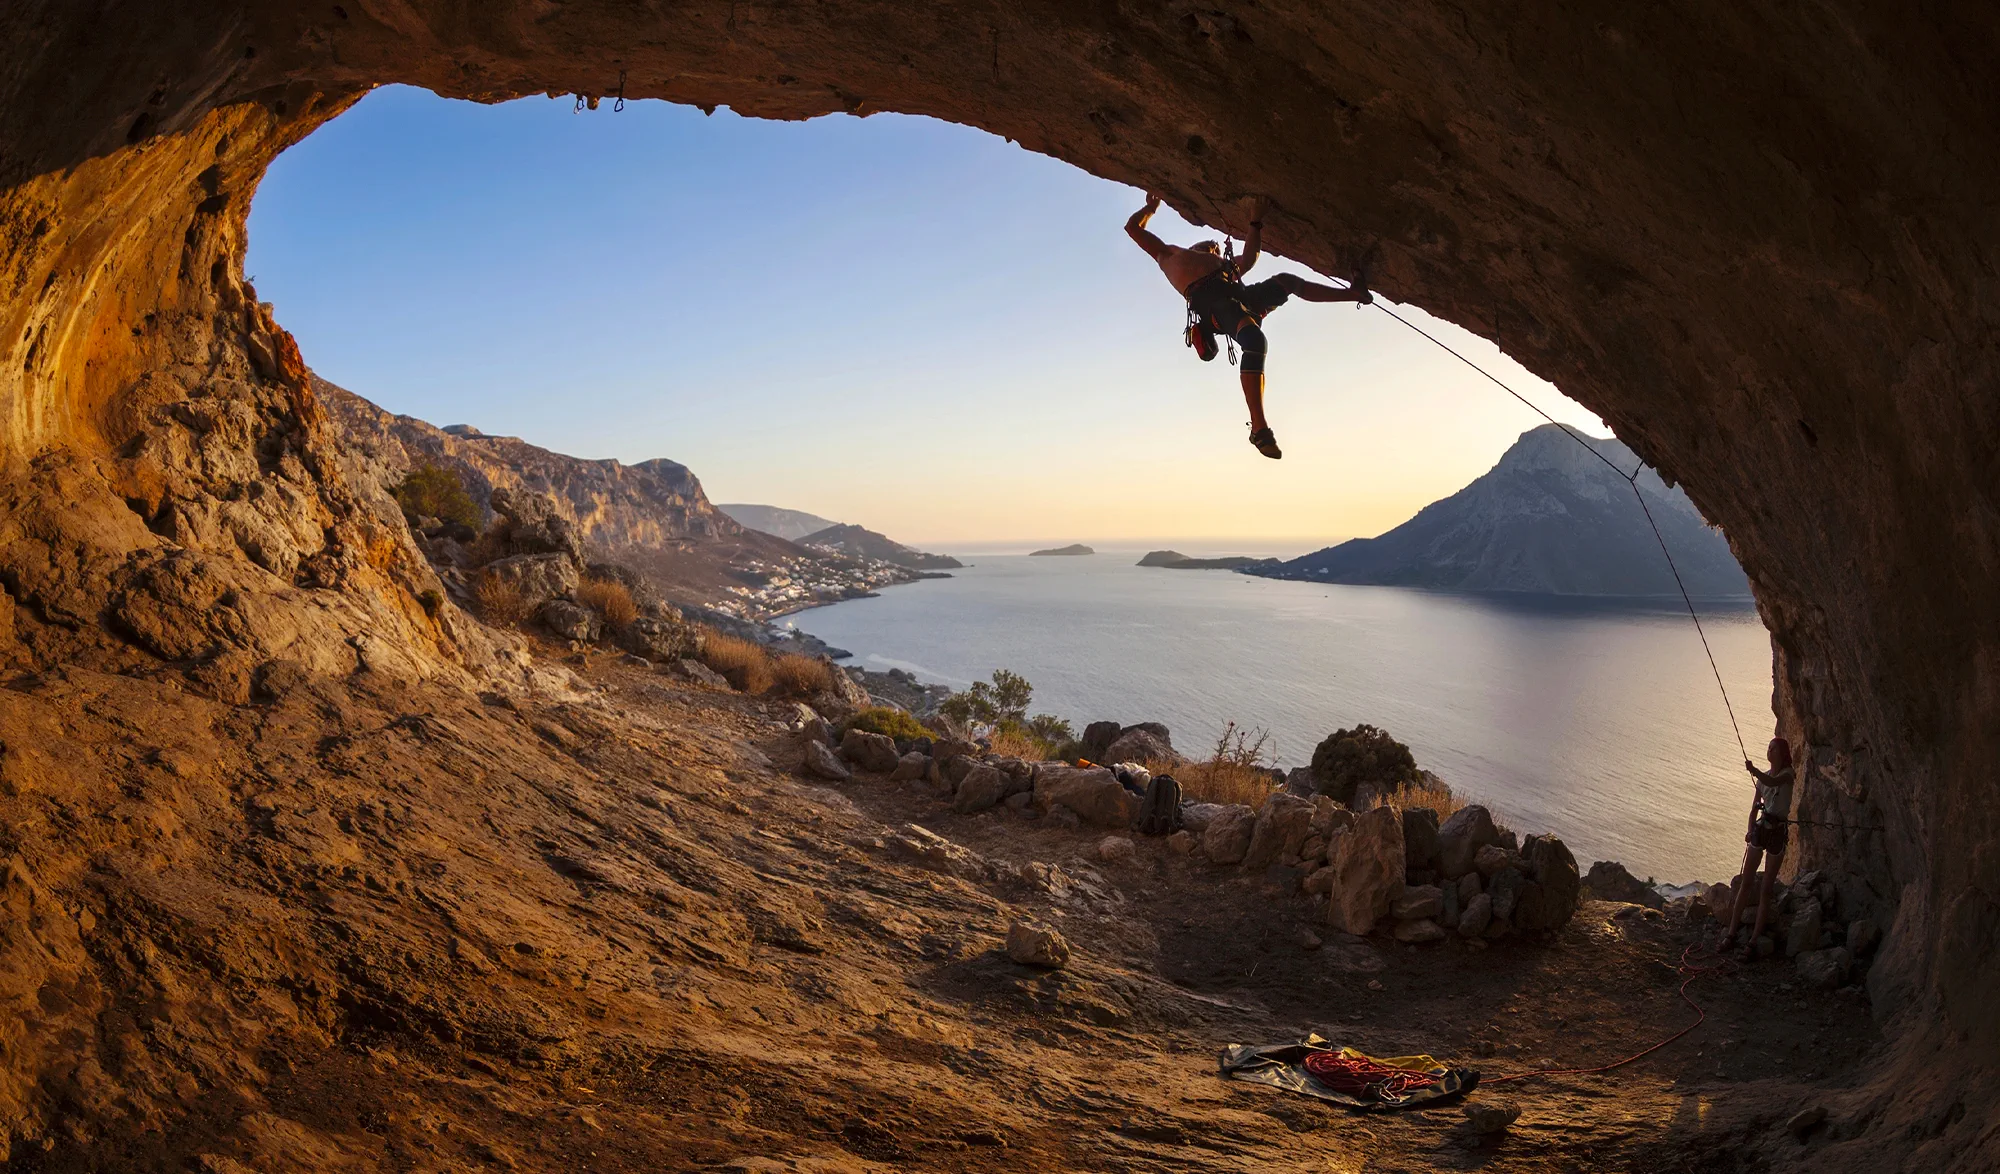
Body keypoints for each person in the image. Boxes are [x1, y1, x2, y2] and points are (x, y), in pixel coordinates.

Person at [1125, 194, 1370, 459]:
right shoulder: (1171, 256)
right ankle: (1259, 427)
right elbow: (1133, 229)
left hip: (1240, 299)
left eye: (1216, 249)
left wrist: (1255, 220)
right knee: (1254, 341)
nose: (1215, 247)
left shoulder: (1226, 266)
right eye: (1210, 246)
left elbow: (1251, 257)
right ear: (1194, 245)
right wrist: (1149, 209)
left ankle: (1355, 293)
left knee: (1286, 281)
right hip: (1215, 304)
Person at [1721, 736, 1795, 960]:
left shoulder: (1787, 775)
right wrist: (1749, 828)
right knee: (1746, 882)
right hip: (1762, 829)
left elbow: (1772, 783)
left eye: (1773, 748)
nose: (1769, 751)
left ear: (1782, 754)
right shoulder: (1764, 778)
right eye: (1768, 747)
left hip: (1777, 832)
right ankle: (1732, 933)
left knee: (1766, 890)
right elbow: (1754, 808)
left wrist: (1754, 771)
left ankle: (1753, 942)